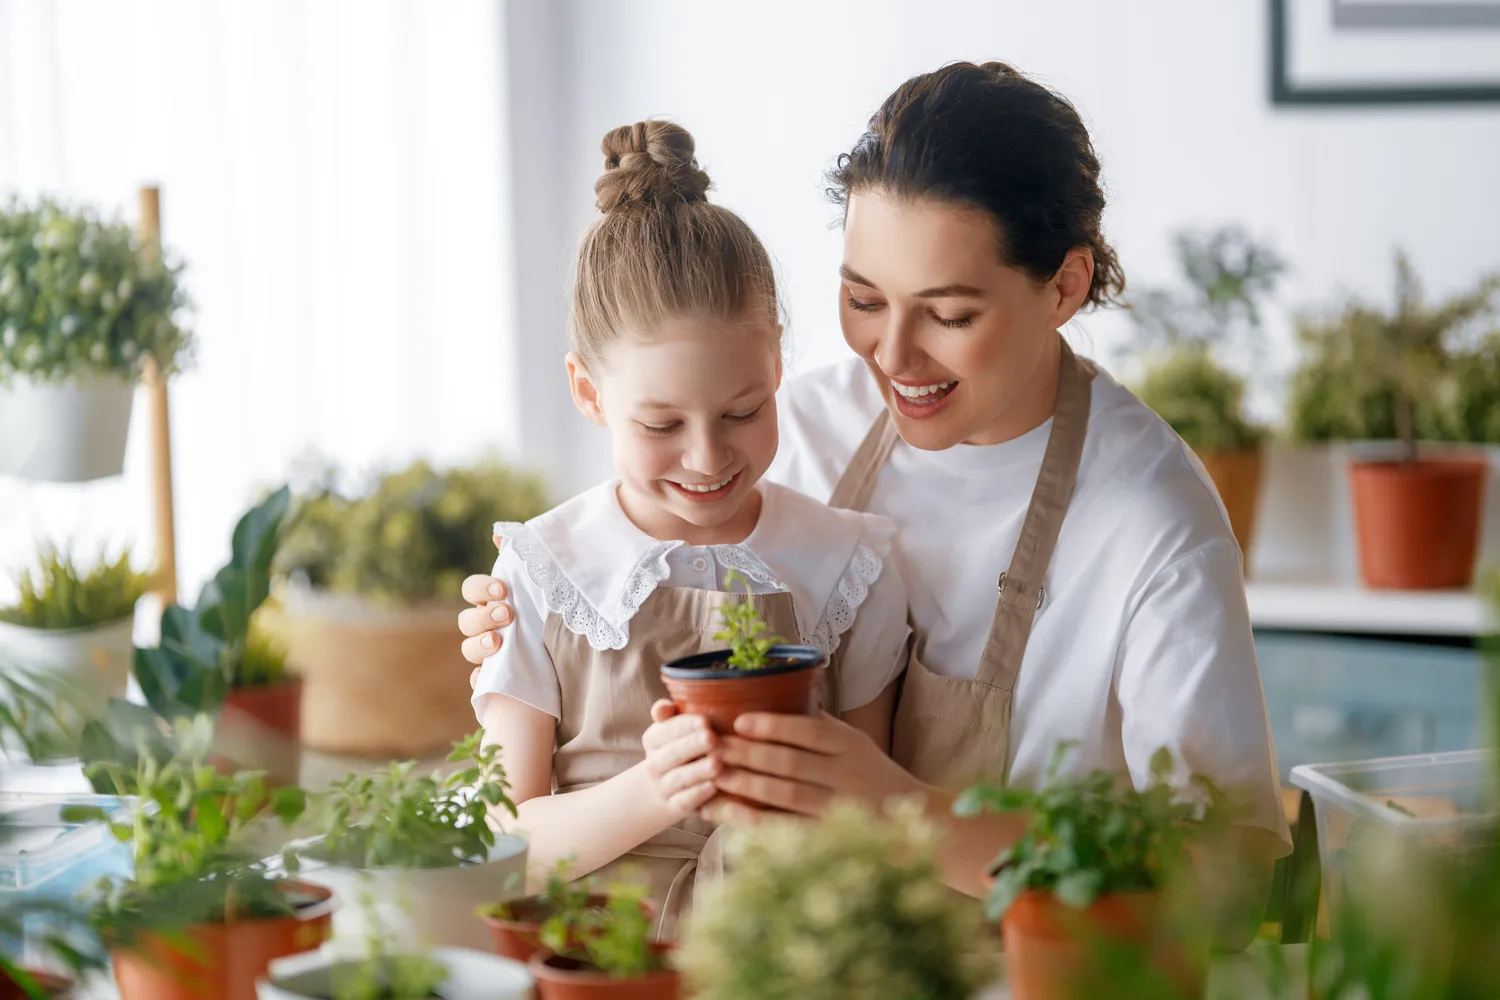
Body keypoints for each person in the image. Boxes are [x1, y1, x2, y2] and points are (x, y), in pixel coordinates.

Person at [462, 63, 1291, 948]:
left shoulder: (1152, 521)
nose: (892, 357)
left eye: (949, 315)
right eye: (863, 300)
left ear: (1064, 286)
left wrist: (900, 811)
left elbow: (1229, 881)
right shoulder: (788, 427)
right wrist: (534, 608)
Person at [468, 120, 910, 938]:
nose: (707, 458)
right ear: (589, 392)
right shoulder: (541, 568)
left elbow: (869, 827)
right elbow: (501, 848)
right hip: (598, 962)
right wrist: (655, 790)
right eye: (661, 424)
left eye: (743, 410)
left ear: (777, 366)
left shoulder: (851, 563)